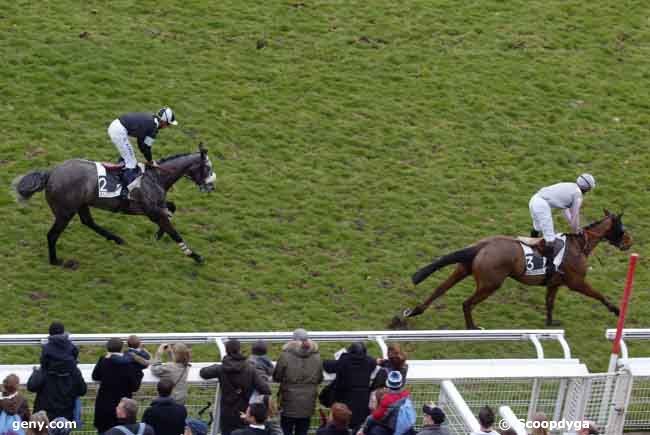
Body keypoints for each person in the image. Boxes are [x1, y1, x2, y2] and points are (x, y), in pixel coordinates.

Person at [528, 173, 596, 280]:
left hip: (534, 200)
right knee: (550, 238)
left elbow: (565, 210)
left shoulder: (570, 186)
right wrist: (576, 230)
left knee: (537, 228)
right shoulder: (578, 194)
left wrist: (574, 226)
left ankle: (531, 253)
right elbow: (575, 215)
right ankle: (550, 268)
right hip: (542, 205)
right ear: (587, 188)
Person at [199, 339, 271, 435]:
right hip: (245, 413)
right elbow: (265, 389)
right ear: (239, 350)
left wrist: (217, 366)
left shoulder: (221, 368)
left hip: (227, 414)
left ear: (227, 351)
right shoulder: (250, 369)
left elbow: (203, 373)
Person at [107, 107, 178, 197]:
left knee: (128, 155)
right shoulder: (153, 129)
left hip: (116, 126)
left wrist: (149, 160)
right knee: (131, 163)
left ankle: (119, 175)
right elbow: (146, 146)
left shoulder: (151, 120)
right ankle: (126, 192)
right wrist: (150, 161)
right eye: (168, 124)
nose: (168, 127)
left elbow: (141, 144)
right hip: (119, 131)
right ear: (163, 122)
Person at [273, 328, 323, 435]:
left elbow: (277, 376)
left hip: (288, 401)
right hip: (308, 402)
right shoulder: (317, 357)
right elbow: (319, 378)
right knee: (302, 431)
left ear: (293, 340)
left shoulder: (285, 355)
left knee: (286, 430)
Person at [323, 343, 376, 431]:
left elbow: (329, 367)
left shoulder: (345, 360)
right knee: (358, 427)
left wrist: (324, 362)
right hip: (362, 404)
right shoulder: (369, 361)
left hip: (345, 402)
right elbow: (374, 363)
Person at [92, 338, 141, 434]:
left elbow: (95, 376)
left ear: (107, 348)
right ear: (122, 348)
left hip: (104, 408)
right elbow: (135, 387)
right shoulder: (129, 364)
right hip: (123, 408)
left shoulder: (103, 360)